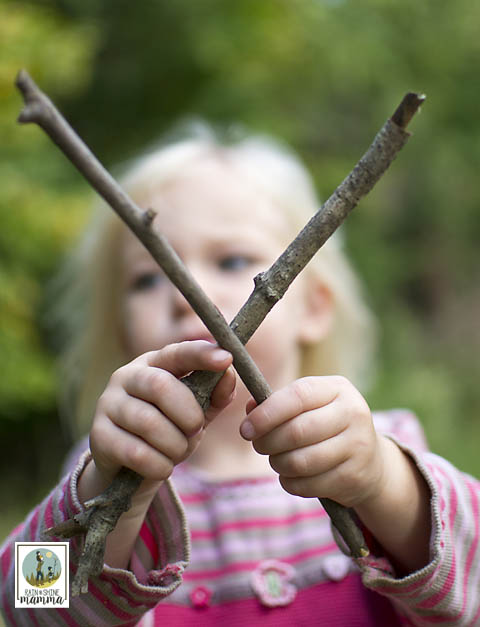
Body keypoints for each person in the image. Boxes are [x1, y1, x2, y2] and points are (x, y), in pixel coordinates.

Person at [1, 125, 479, 626]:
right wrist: (118, 493)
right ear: (120, 331)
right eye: (147, 278)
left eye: (231, 260)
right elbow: (29, 609)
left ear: (314, 307)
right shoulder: (99, 471)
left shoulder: (379, 451)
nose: (189, 294)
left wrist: (384, 484)